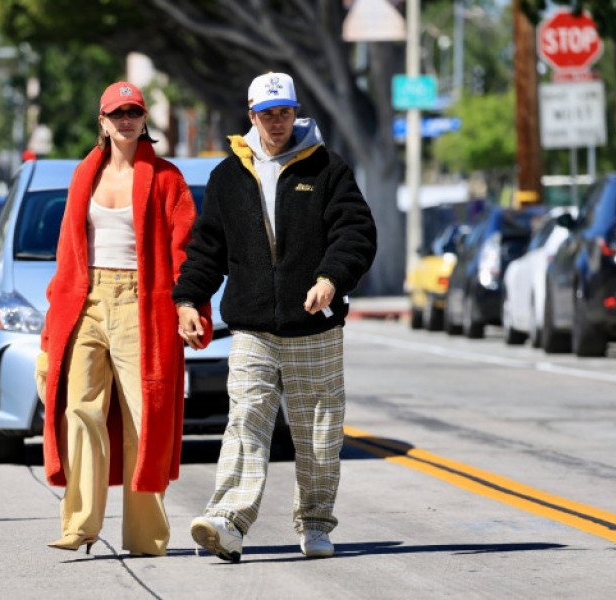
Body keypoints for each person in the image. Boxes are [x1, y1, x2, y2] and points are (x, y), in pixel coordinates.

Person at [173, 72, 377, 562]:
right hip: (252, 328)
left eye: (284, 112)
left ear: (296, 111)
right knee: (245, 420)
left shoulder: (328, 168)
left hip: (316, 325)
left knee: (319, 433)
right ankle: (228, 521)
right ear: (251, 116)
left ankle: (315, 523)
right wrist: (186, 301)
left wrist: (331, 277)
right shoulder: (227, 177)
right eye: (267, 114)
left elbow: (355, 231)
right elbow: (207, 248)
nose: (277, 122)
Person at [36, 81, 212, 556]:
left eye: (134, 111)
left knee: (144, 417)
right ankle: (80, 524)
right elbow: (66, 258)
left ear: (143, 119)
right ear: (103, 122)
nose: (126, 119)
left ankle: (145, 535)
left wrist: (188, 304)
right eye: (118, 113)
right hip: (88, 300)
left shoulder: (167, 179)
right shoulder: (84, 176)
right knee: (80, 409)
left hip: (141, 303)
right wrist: (52, 330)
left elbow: (187, 251)